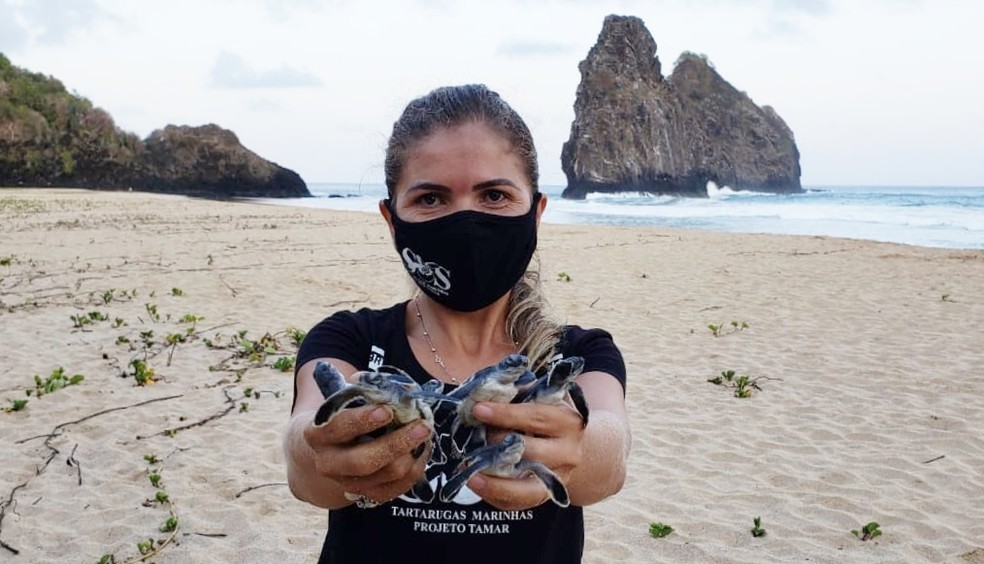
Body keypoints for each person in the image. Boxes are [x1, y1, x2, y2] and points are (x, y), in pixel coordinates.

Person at [284, 84, 630, 564]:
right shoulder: (350, 339)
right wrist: (328, 448)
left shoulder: (576, 353)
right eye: (430, 199)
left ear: (536, 212)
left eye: (494, 194)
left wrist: (575, 447)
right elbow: (305, 461)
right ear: (391, 219)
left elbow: (608, 460)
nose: (465, 222)